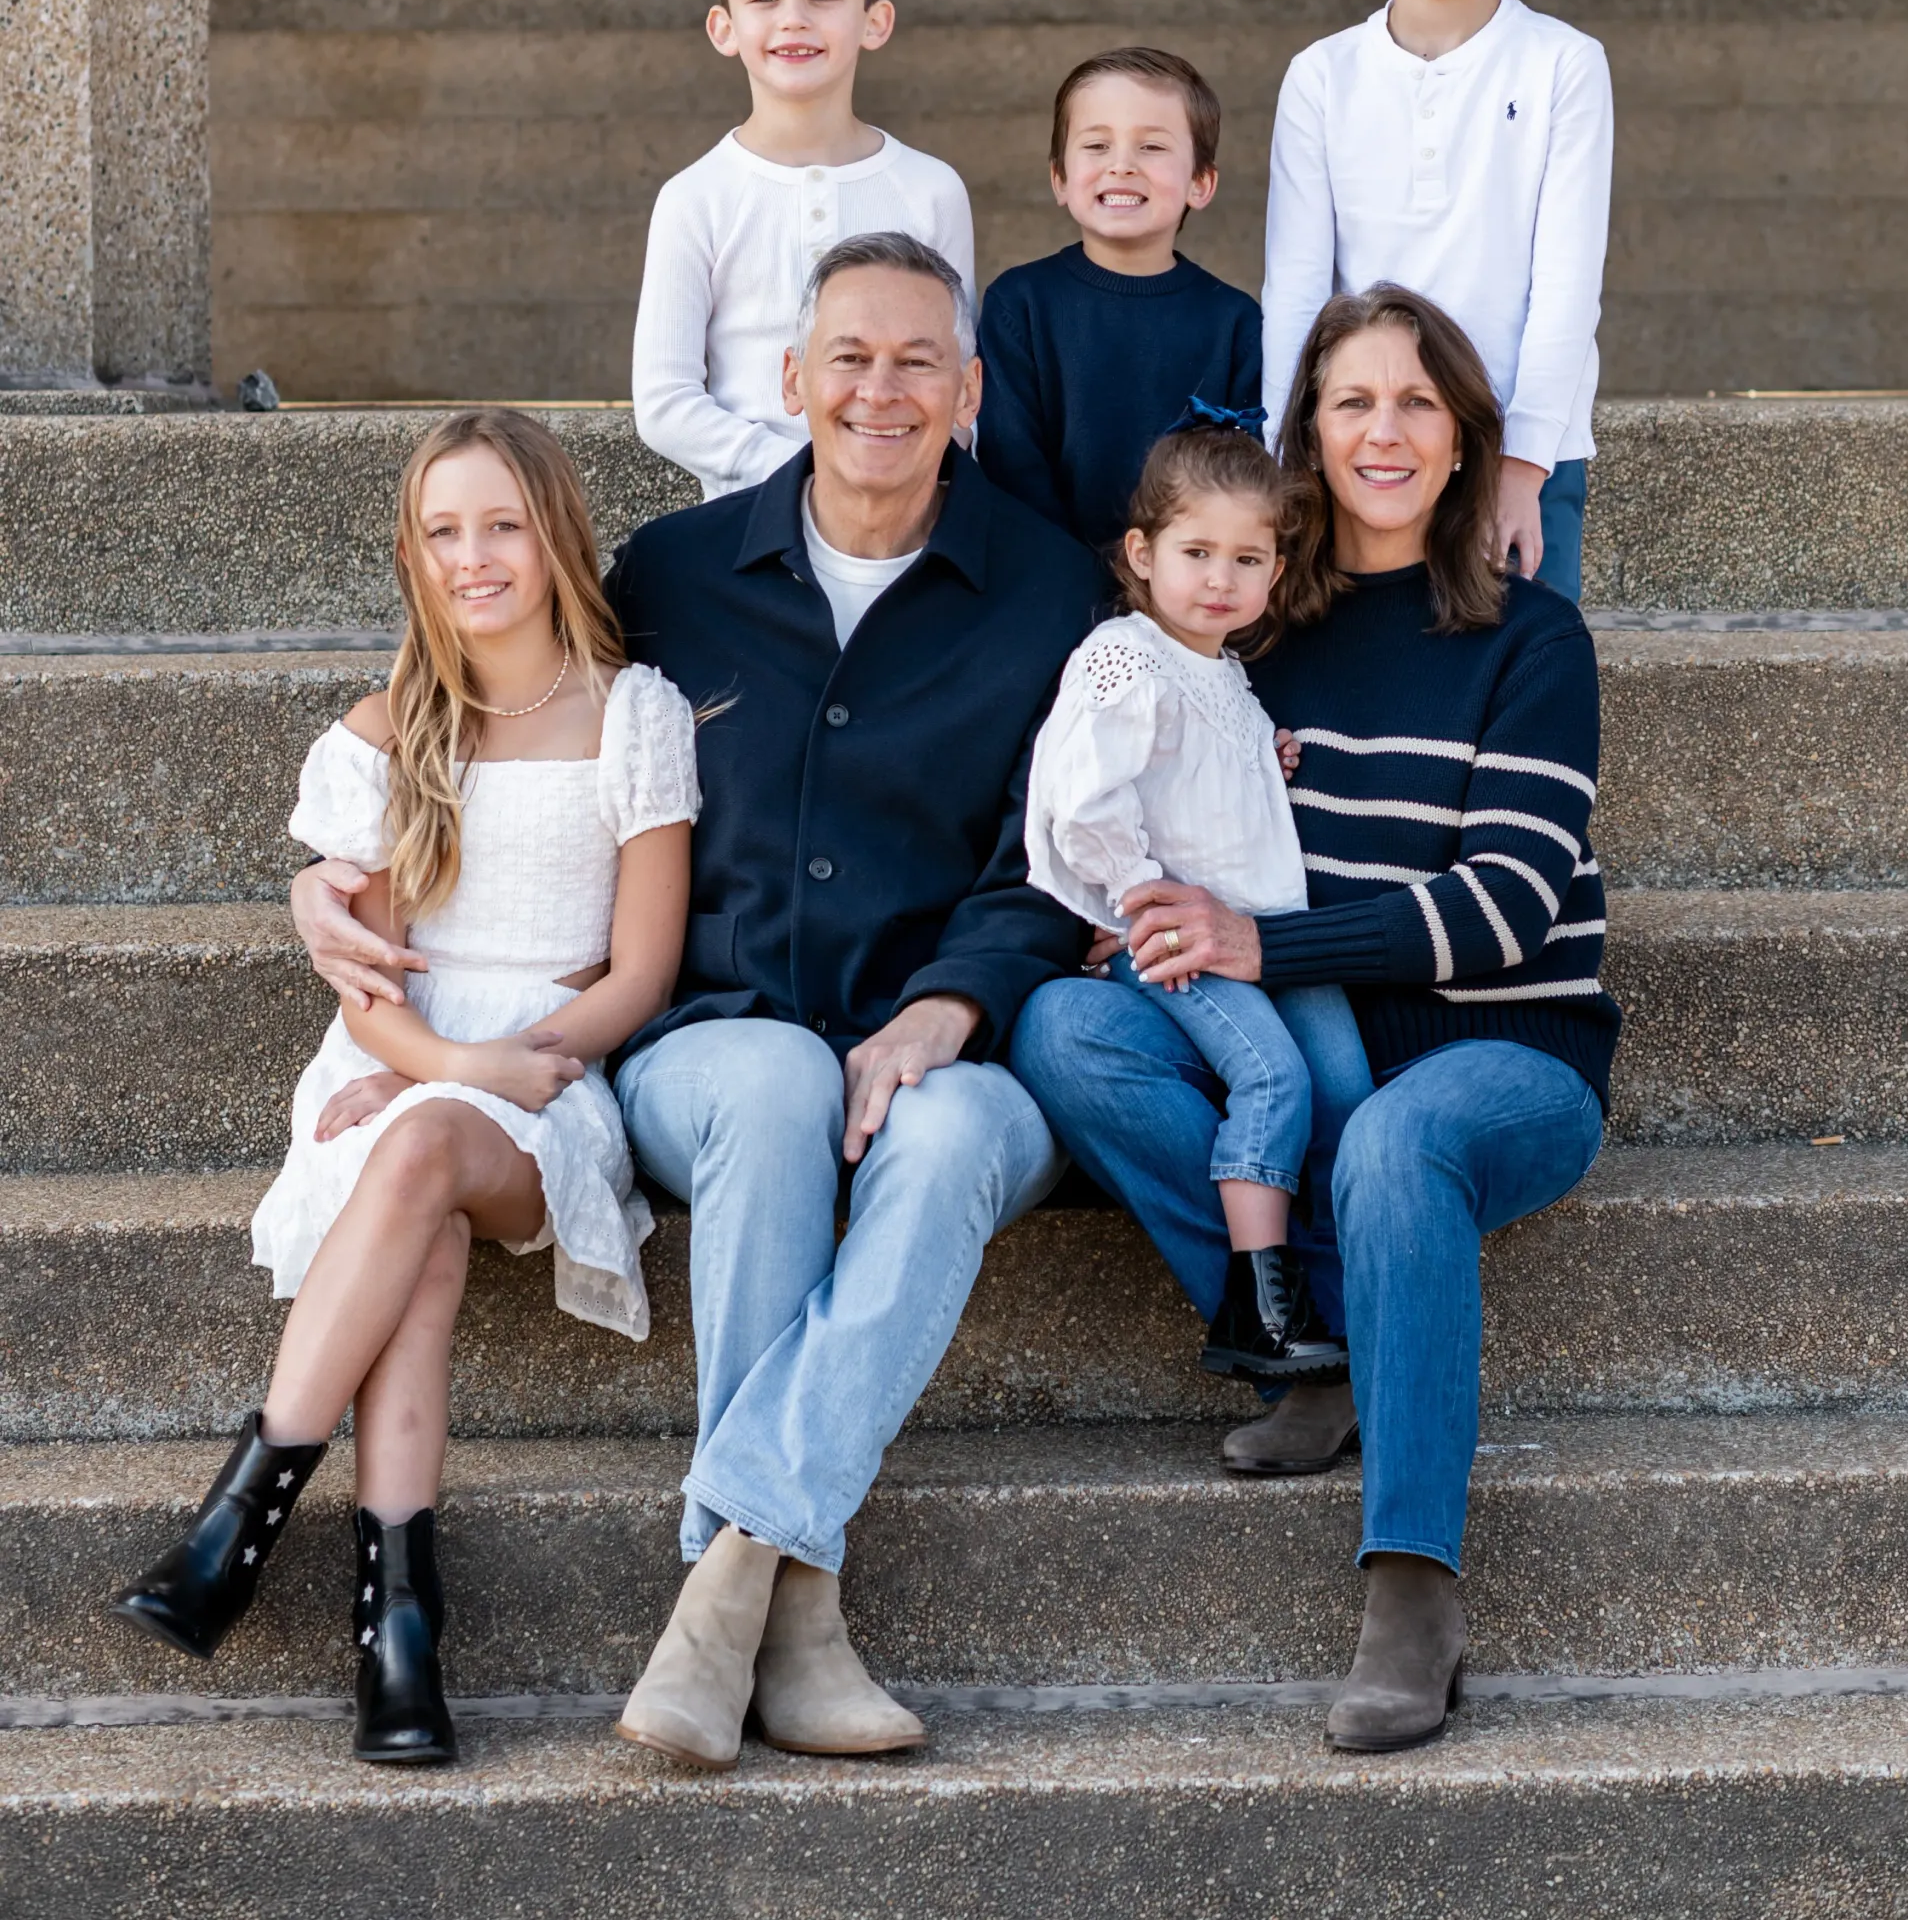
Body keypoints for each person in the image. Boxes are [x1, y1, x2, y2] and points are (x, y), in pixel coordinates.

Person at [292, 233, 1107, 1775]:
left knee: (937, 1148)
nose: (881, 388)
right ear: (792, 381)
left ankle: (734, 1585)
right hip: (707, 1041)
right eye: (848, 358)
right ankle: (794, 1622)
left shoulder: (1052, 590)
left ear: (971, 389)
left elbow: (1065, 854)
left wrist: (950, 1005)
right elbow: (489, 709)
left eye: (918, 359)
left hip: (958, 1041)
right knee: (775, 1086)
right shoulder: (672, 575)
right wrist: (324, 883)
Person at [1013, 283, 1617, 1754]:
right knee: (1064, 1036)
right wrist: (1141, 908)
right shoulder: (1230, 625)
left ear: (1467, 437)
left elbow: (1512, 905)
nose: (1385, 429)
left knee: (1401, 1141)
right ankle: (1325, 1344)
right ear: (1308, 435)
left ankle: (1413, 1586)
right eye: (1352, 401)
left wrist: (1258, 936)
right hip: (1292, 1035)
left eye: (1417, 401)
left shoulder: (1532, 643)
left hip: (1502, 1050)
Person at [110, 410, 699, 1766]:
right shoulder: (386, 729)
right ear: (411, 555)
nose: (474, 557)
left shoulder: (635, 717)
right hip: (399, 1062)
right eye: (443, 532)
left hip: (550, 1078)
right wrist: (440, 1070)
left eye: (501, 524)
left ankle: (234, 1530)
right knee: (418, 1220)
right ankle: (398, 1635)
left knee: (428, 1146)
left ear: (555, 534)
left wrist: (499, 1071)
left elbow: (642, 974)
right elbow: (366, 980)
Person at [1025, 410, 1371, 1379]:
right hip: (1179, 934)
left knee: (1344, 1087)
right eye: (1198, 551)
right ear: (1141, 552)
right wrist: (1140, 893)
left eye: (1249, 559)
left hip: (1265, 928)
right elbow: (1082, 795)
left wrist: (1268, 758)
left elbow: (1198, 774)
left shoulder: (1225, 672)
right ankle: (1260, 1300)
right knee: (1277, 1080)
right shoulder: (1125, 656)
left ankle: (1347, 1298)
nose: (1222, 578)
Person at [1260, 0, 1613, 607]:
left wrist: (1524, 466)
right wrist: (1285, 457)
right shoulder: (1321, 77)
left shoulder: (1564, 63)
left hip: (1514, 445)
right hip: (1364, 442)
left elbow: (1566, 285)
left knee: (1519, 672)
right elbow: (1298, 287)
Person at [631, 0, 975, 502]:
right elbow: (665, 401)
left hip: (904, 521)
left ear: (874, 21)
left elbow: (954, 379)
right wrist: (799, 472)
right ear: (723, 27)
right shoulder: (694, 198)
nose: (794, 19)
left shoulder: (931, 190)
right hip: (747, 523)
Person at [975, 46, 1264, 553]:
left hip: (1191, 595)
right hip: (1048, 588)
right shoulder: (1018, 305)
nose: (1122, 166)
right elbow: (1012, 470)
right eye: (1096, 146)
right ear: (1059, 178)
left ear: (1201, 182)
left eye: (1152, 147)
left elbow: (1239, 483)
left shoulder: (1234, 321)